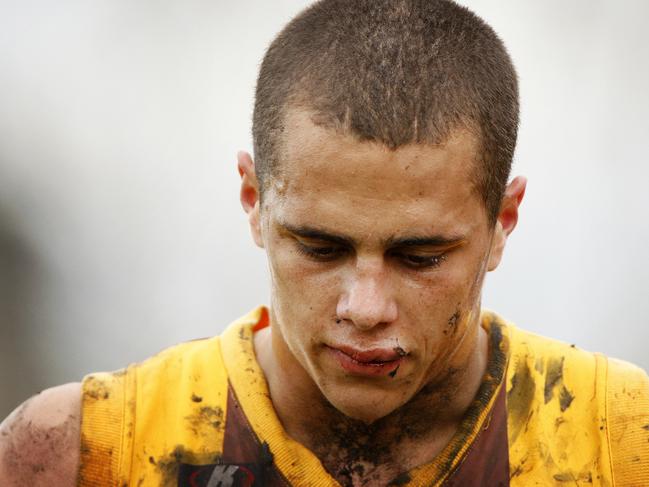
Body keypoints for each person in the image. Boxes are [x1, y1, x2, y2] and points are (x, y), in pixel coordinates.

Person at [1, 0, 648, 485]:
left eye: (418, 256)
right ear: (253, 200)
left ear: (503, 220)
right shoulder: (83, 454)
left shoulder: (622, 443)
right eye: (318, 246)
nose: (364, 307)